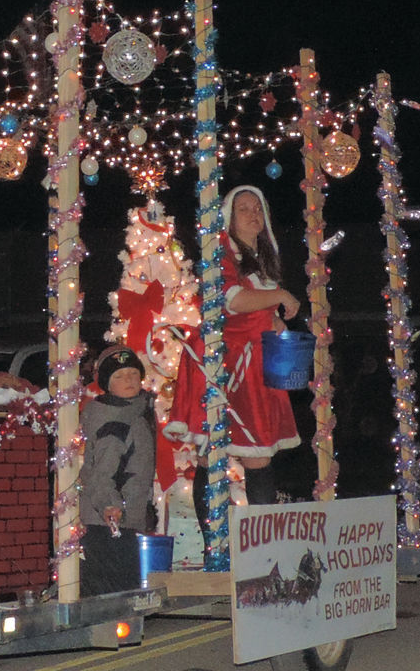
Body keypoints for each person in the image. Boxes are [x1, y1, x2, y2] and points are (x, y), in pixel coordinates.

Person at [166, 184, 302, 517]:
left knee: (256, 454)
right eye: (244, 208)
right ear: (229, 216)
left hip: (256, 362)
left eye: (258, 208)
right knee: (216, 453)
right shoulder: (222, 252)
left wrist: (275, 322)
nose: (253, 213)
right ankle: (219, 545)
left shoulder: (262, 258)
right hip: (228, 364)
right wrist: (280, 296)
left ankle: (258, 545)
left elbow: (256, 309)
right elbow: (233, 300)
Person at [79, 345, 157, 596]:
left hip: (122, 518)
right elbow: (102, 472)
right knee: (115, 599)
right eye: (120, 376)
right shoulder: (114, 420)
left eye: (133, 373)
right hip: (109, 523)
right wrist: (111, 506)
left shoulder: (134, 410)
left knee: (120, 597)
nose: (129, 381)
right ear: (107, 384)